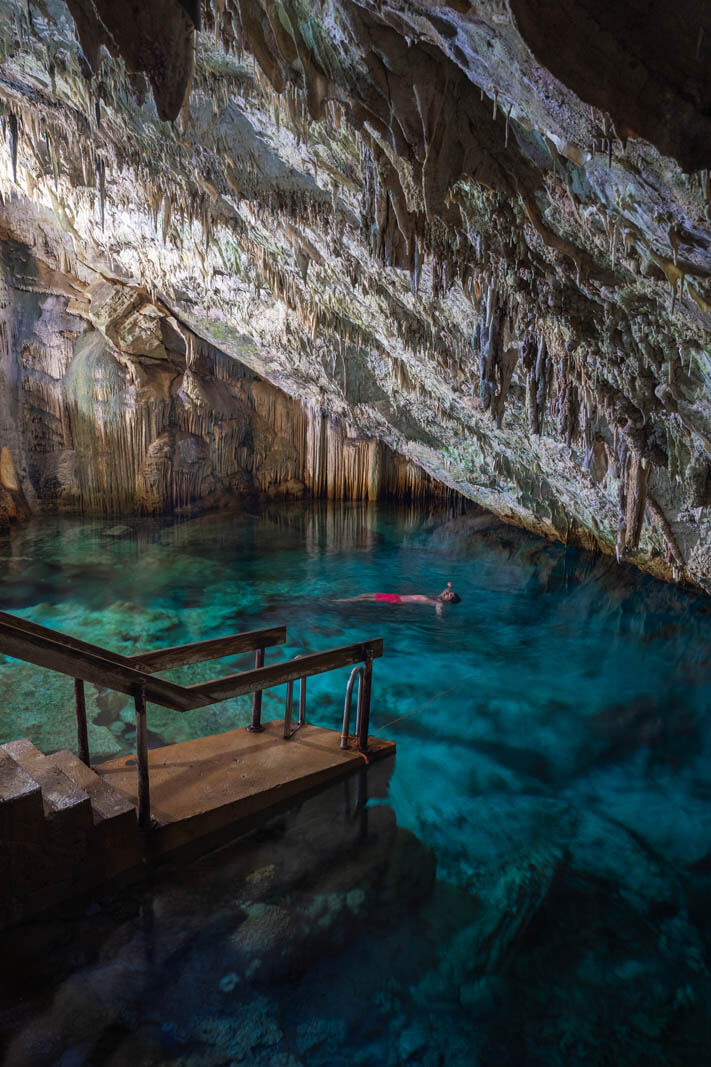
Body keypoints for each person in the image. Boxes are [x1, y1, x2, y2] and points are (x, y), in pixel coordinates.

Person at [339, 581, 461, 614]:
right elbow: (445, 591)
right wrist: (450, 587)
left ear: (449, 601)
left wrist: (441, 621)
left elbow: (439, 613)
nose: (447, 593)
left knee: (368, 599)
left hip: (398, 601)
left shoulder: (438, 604)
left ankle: (346, 601)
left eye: (449, 595)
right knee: (367, 594)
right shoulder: (438, 597)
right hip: (398, 596)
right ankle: (350, 599)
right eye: (449, 593)